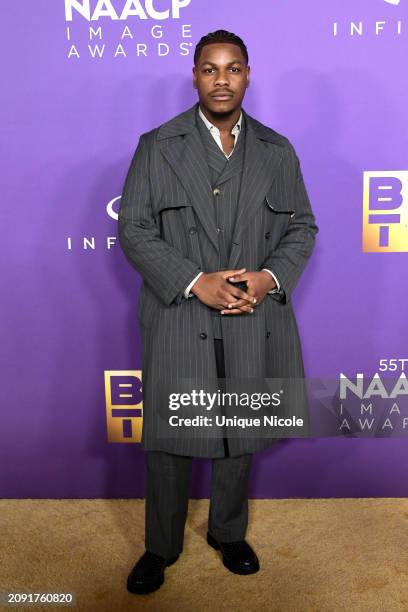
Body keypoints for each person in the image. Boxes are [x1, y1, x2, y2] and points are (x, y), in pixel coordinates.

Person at [118, 29, 318, 595]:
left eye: (233, 69)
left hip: (253, 311)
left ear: (248, 75)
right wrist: (192, 280)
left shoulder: (278, 150)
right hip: (181, 311)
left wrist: (268, 276)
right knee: (172, 434)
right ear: (196, 76)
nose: (222, 79)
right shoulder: (157, 145)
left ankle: (228, 532)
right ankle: (161, 545)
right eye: (210, 69)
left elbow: (302, 226)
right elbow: (132, 227)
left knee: (242, 424)